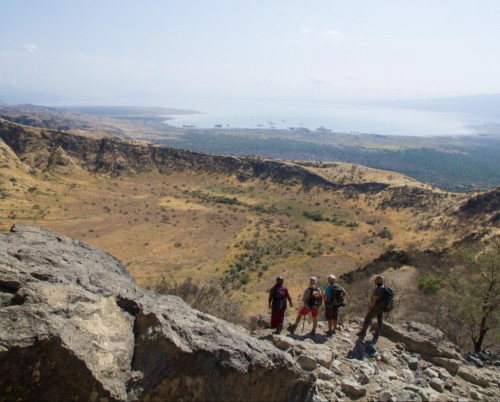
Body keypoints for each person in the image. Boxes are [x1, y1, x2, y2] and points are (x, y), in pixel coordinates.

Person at [356, 274, 386, 340]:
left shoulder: (377, 289)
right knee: (380, 320)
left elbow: (374, 301)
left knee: (367, 318)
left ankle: (363, 333)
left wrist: (370, 307)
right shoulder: (384, 287)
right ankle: (377, 333)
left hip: (377, 307)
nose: (374, 280)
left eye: (375, 280)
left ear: (378, 281)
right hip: (382, 307)